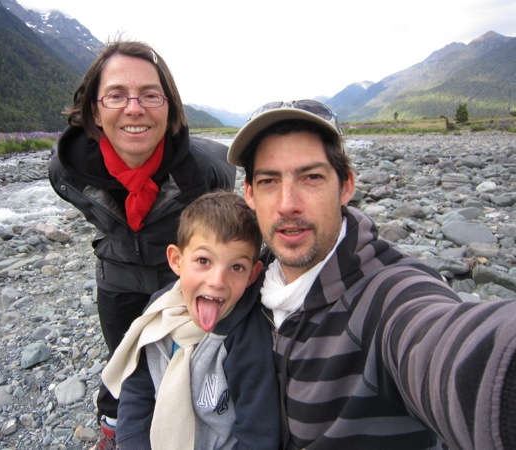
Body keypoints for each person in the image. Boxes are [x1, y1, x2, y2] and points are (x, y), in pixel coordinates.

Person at [226, 99, 516, 450]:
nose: (288, 204)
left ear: (346, 186)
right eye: (269, 181)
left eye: (311, 177)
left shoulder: (386, 296)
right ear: (250, 194)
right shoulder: (244, 280)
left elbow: (448, 348)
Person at [48, 40, 236, 449]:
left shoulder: (206, 170)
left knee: (187, 364)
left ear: (170, 109)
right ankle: (114, 431)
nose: (134, 108)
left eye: (151, 95)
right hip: (116, 275)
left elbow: (226, 226)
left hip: (178, 278)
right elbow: (95, 212)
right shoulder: (67, 169)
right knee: (123, 362)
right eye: (116, 95)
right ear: (94, 112)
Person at [101, 191, 280, 449]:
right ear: (177, 260)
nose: (217, 281)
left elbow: (258, 433)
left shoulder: (247, 338)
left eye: (236, 267)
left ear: (252, 275)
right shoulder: (159, 312)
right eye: (203, 261)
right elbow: (137, 392)